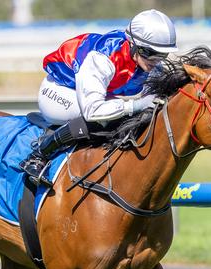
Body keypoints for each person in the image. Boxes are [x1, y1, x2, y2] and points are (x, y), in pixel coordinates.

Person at [20, 9, 179, 186]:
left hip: (90, 95)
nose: (156, 60)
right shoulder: (103, 57)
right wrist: (136, 105)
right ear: (132, 44)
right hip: (58, 91)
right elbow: (92, 111)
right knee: (104, 119)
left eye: (162, 55)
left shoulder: (151, 63)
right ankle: (38, 155)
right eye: (150, 53)